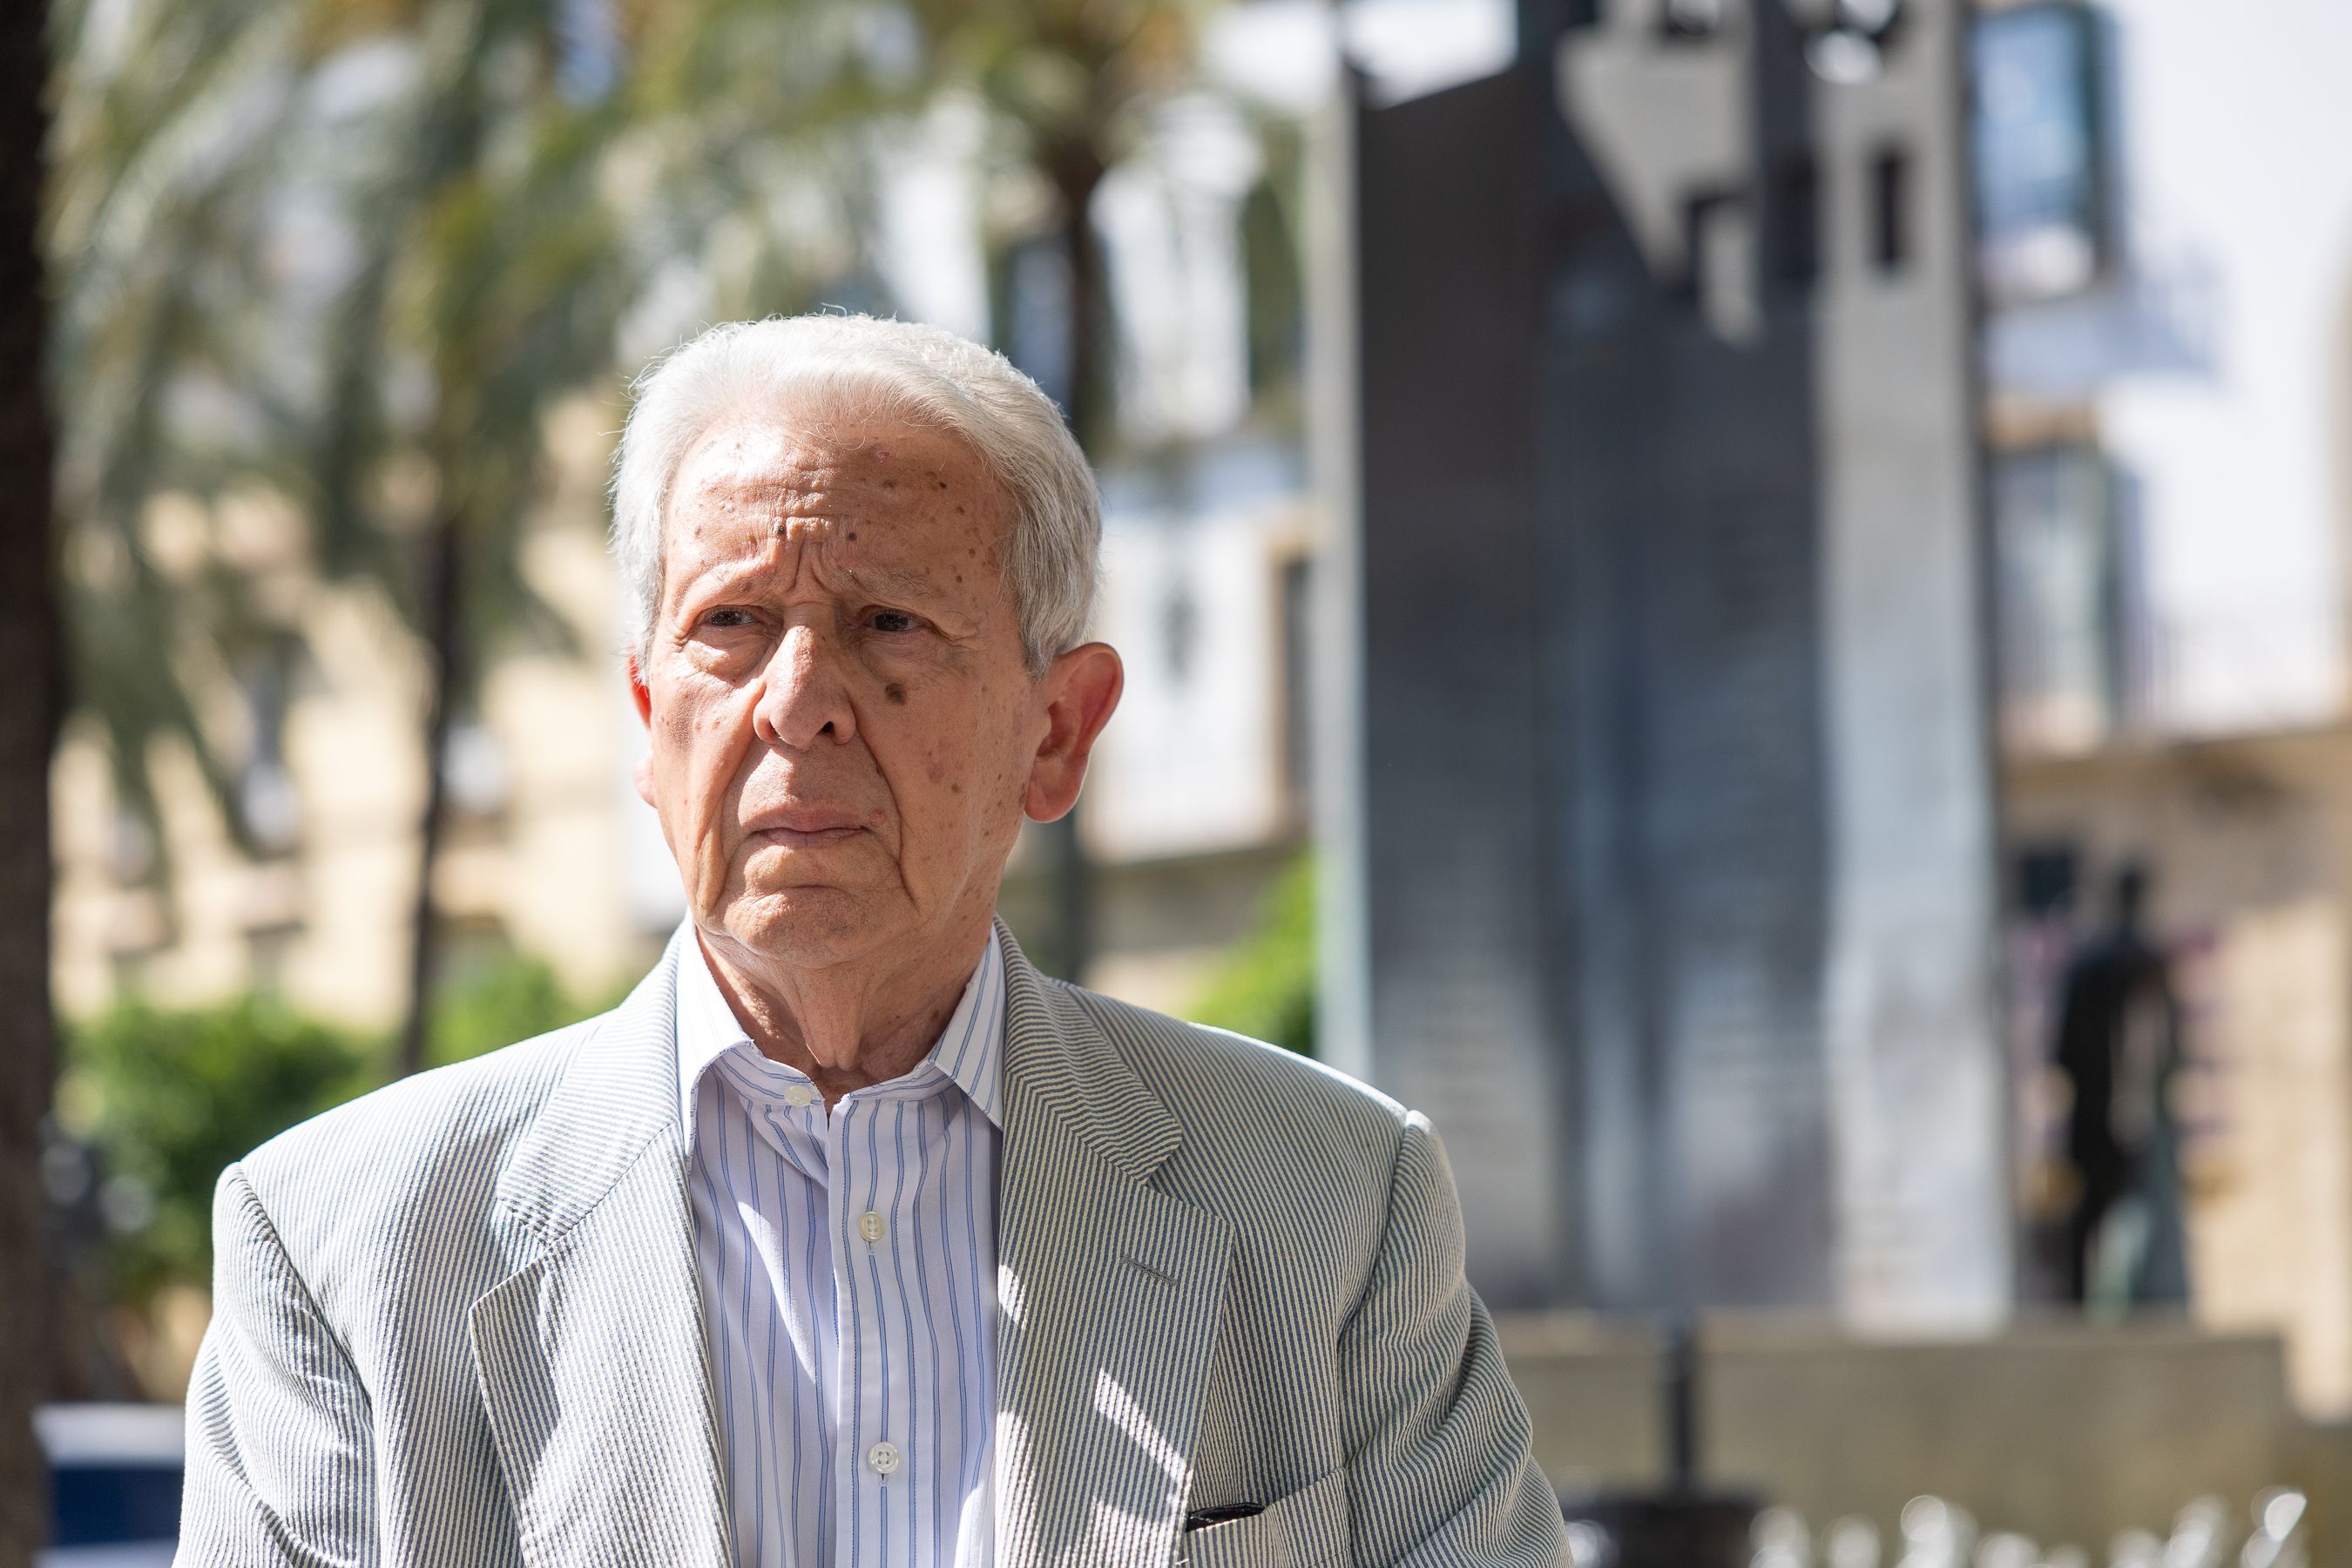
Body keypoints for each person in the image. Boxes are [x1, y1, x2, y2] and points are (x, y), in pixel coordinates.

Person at [176, 315, 1570, 1566]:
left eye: (887, 623)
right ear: (647, 717)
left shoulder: (1334, 1206)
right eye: (730, 624)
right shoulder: (339, 1250)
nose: (797, 705)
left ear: (1058, 730)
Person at [2052, 861, 2189, 1309]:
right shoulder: (2132, 964)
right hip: (2122, 1120)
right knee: (2109, 1219)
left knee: (2117, 1223)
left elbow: (2065, 1051)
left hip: (2114, 1118)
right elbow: (2165, 1051)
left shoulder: (2104, 963)